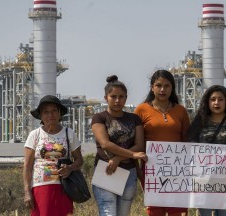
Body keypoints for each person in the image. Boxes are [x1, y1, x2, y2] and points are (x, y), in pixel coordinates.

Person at [187, 85, 226, 216]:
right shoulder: (198, 123)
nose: (217, 103)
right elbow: (189, 151)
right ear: (207, 102)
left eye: (220, 99)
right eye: (213, 99)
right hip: (204, 181)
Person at [134, 69, 190, 216]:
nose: (162, 89)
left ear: (172, 88)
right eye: (158, 85)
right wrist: (139, 171)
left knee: (177, 211)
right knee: (155, 211)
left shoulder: (181, 111)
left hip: (178, 170)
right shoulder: (141, 110)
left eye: (167, 85)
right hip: (152, 170)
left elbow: (187, 141)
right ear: (152, 87)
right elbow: (135, 142)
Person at [91, 75, 148, 216]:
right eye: (113, 96)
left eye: (121, 96)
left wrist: (118, 158)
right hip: (106, 171)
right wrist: (131, 155)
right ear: (106, 98)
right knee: (108, 212)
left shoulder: (134, 119)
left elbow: (139, 145)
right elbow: (105, 144)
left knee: (124, 213)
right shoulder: (99, 118)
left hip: (129, 172)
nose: (117, 100)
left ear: (126, 98)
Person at [23, 95, 83, 216]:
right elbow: (27, 166)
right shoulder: (35, 135)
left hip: (64, 187)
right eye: (46, 112)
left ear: (60, 113)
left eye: (54, 111)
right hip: (40, 187)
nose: (50, 115)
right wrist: (27, 191)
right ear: (41, 115)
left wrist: (70, 168)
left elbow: (79, 160)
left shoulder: (69, 133)